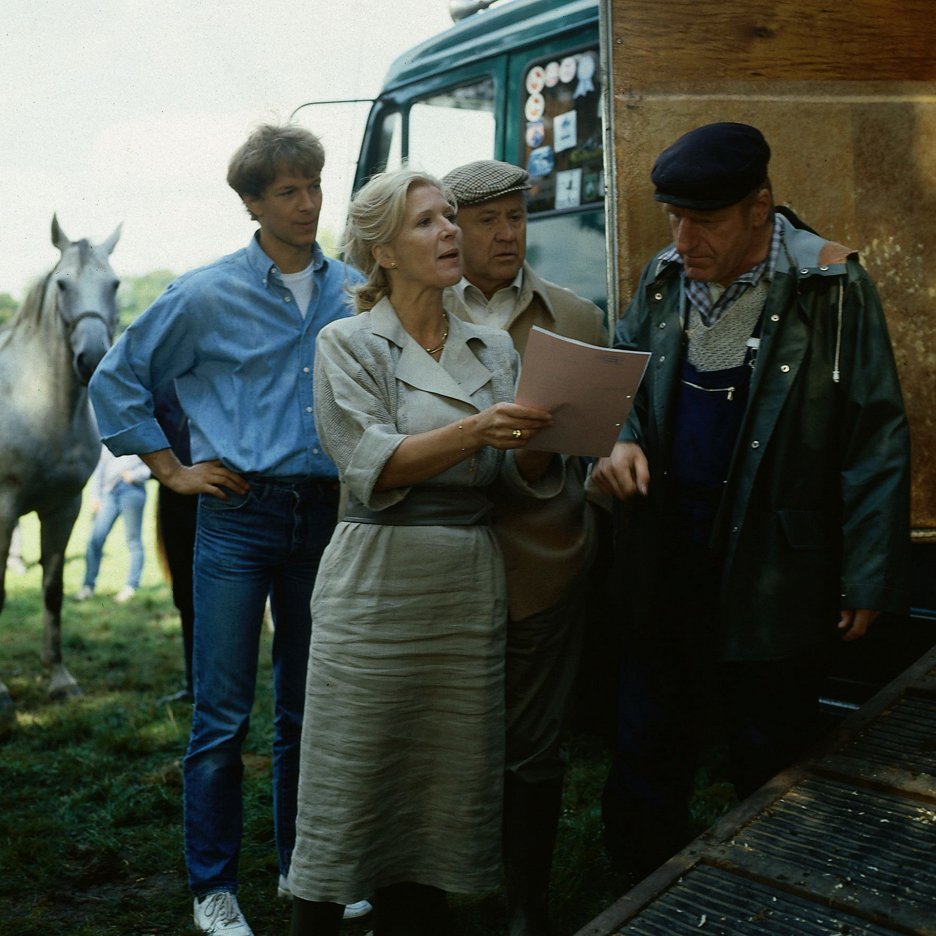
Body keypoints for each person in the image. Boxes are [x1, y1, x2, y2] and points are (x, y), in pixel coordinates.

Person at [591, 122, 910, 875]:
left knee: (769, 758)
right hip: (667, 554)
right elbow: (620, 380)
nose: (683, 235)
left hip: (775, 566)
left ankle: (768, 898)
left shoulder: (832, 286)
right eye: (674, 216)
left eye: (703, 219)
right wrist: (619, 437)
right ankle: (639, 899)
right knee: (646, 745)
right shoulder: (663, 277)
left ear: (759, 210)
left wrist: (867, 574)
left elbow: (875, 437)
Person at [88, 124, 369, 936]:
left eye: (315, 185)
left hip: (326, 519)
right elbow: (119, 380)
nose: (309, 202)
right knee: (222, 715)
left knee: (312, 711)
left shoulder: (354, 289)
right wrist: (171, 470)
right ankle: (213, 886)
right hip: (239, 516)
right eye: (289, 190)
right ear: (251, 202)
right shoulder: (204, 294)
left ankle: (301, 868)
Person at [287, 168, 560, 936]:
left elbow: (508, 481)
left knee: (442, 784)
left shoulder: (492, 345)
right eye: (427, 223)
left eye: (449, 217)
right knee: (350, 773)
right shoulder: (346, 344)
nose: (449, 232)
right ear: (382, 252)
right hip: (376, 582)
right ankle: (318, 918)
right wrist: (478, 430)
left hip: (466, 582)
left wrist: (549, 440)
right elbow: (372, 463)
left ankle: (415, 920)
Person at [441, 159, 607, 936]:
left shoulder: (574, 318)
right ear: (453, 229)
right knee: (442, 738)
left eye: (517, 217)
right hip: (438, 564)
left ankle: (527, 906)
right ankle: (431, 890)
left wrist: (611, 456)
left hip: (541, 559)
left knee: (533, 745)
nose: (507, 233)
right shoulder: (415, 312)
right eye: (487, 221)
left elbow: (604, 436)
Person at [74, 445, 150, 603]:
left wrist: (135, 475)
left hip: (132, 490)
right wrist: (95, 495)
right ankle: (88, 586)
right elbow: (99, 466)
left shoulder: (141, 436)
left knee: (133, 540)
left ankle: (131, 586)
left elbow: (152, 467)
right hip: (108, 492)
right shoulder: (109, 436)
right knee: (95, 539)